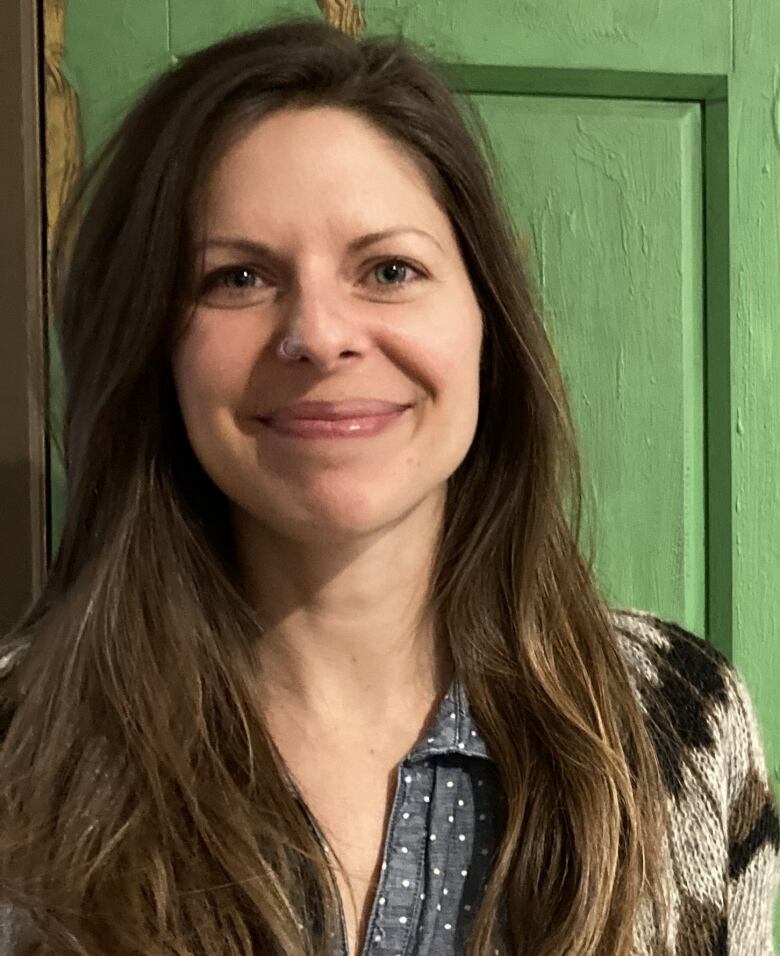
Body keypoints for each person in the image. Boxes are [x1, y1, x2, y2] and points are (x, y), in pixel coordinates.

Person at [0, 15, 777, 956]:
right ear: (152, 349)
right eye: (238, 277)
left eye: (390, 269)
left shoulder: (676, 730)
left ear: (486, 321)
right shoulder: (24, 752)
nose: (320, 335)